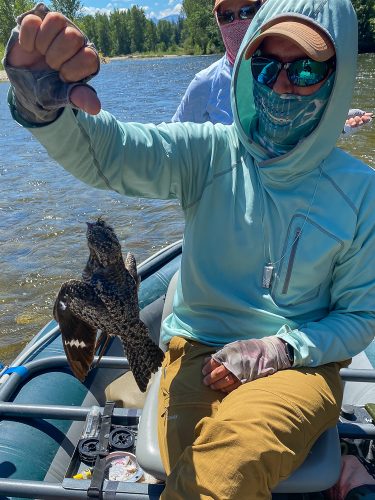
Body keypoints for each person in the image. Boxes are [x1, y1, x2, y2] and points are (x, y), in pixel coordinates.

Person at [4, 0, 375, 498]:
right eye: (266, 66)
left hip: (301, 362)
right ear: (246, 70)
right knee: (194, 457)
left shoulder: (360, 192)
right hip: (196, 347)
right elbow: (113, 152)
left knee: (235, 452)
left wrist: (282, 349)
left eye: (306, 68)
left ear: (336, 78)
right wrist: (43, 109)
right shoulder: (208, 151)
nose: (282, 85)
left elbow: (360, 316)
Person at [172, 0, 373, 134]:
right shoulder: (205, 82)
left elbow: (293, 136)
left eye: (246, 11)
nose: (237, 22)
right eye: (226, 16)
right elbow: (174, 144)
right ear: (217, 21)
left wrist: (334, 125)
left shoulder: (295, 67)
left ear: (264, 9)